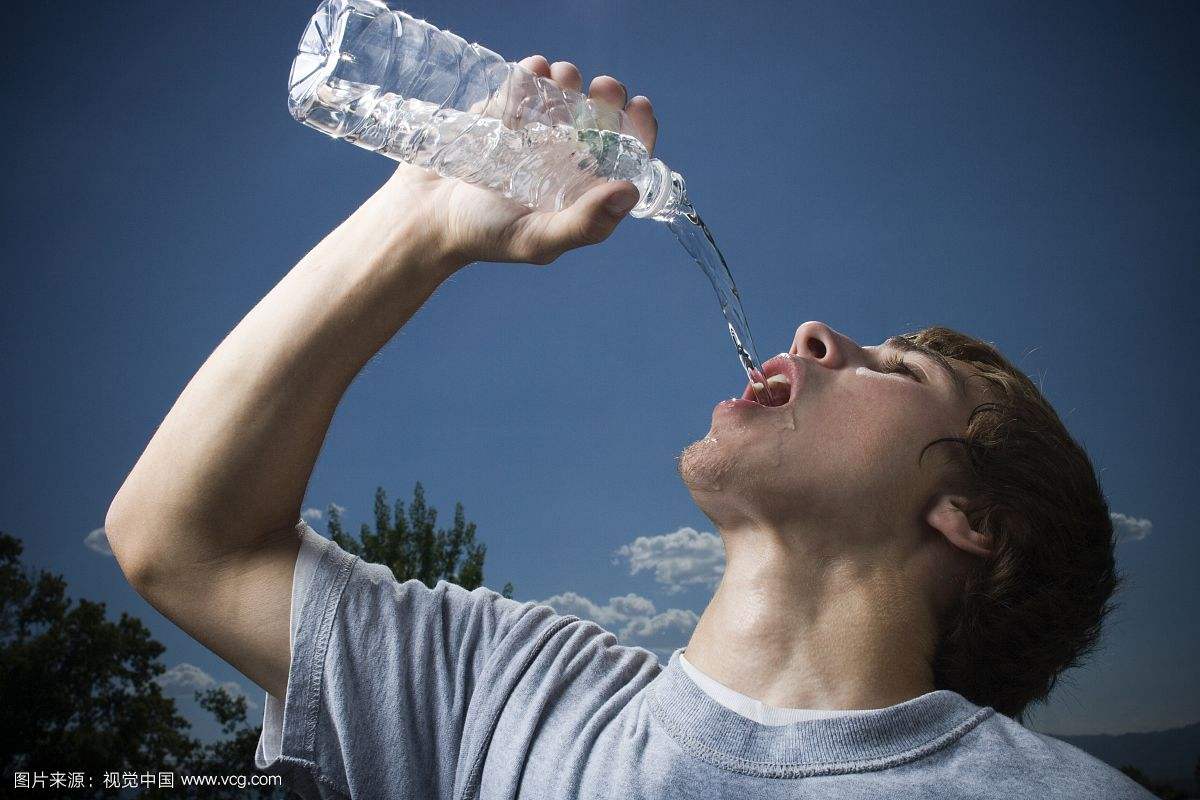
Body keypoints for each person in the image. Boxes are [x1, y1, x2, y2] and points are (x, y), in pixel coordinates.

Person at [105, 55, 1153, 799]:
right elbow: (180, 543)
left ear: (971, 516)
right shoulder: (509, 695)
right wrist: (420, 220)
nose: (819, 334)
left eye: (896, 369)